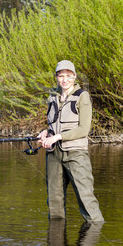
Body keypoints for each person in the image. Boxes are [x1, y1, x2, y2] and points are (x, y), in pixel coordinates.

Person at [38, 60, 104, 222]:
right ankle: (56, 243)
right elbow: (53, 124)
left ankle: (94, 234)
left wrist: (58, 137)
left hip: (76, 153)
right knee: (54, 201)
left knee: (85, 198)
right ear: (56, 77)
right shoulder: (52, 96)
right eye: (61, 76)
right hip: (53, 153)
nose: (65, 80)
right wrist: (46, 132)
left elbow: (83, 130)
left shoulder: (83, 96)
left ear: (74, 76)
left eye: (68, 76)